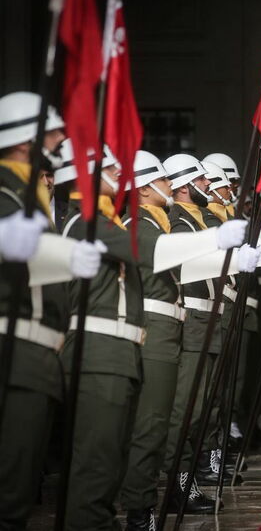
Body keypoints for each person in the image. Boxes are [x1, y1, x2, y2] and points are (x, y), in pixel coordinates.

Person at [119, 151, 247, 529]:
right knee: (175, 418)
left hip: (185, 321)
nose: (169, 187)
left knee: (190, 412)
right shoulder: (158, 222)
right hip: (176, 323)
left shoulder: (164, 221)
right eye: (163, 181)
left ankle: (176, 487)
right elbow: (176, 260)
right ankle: (168, 491)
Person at [0, 93, 101, 530]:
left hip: (36, 355)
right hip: (15, 348)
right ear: (26, 140)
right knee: (9, 493)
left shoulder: (25, 192)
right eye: (53, 131)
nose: (61, 139)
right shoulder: (7, 190)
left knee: (18, 489)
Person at [58, 141, 145, 530]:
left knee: (107, 460)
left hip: (114, 353)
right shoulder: (88, 222)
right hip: (97, 353)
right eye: (110, 172)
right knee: (95, 461)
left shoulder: (101, 220)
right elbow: (147, 249)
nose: (118, 178)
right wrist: (214, 241)